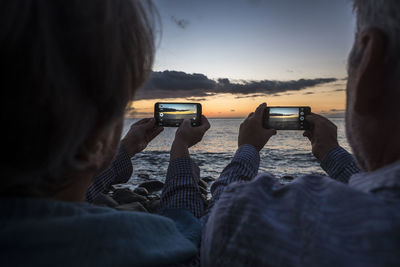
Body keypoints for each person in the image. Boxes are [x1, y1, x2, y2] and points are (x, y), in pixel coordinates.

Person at [0, 1, 209, 266]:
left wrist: (127, 147)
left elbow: (68, 188)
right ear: (96, 138)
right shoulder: (138, 247)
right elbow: (187, 232)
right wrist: (181, 149)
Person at [200, 0, 400, 266]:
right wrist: (330, 153)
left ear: (369, 64)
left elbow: (219, 224)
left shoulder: (255, 219)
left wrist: (247, 149)